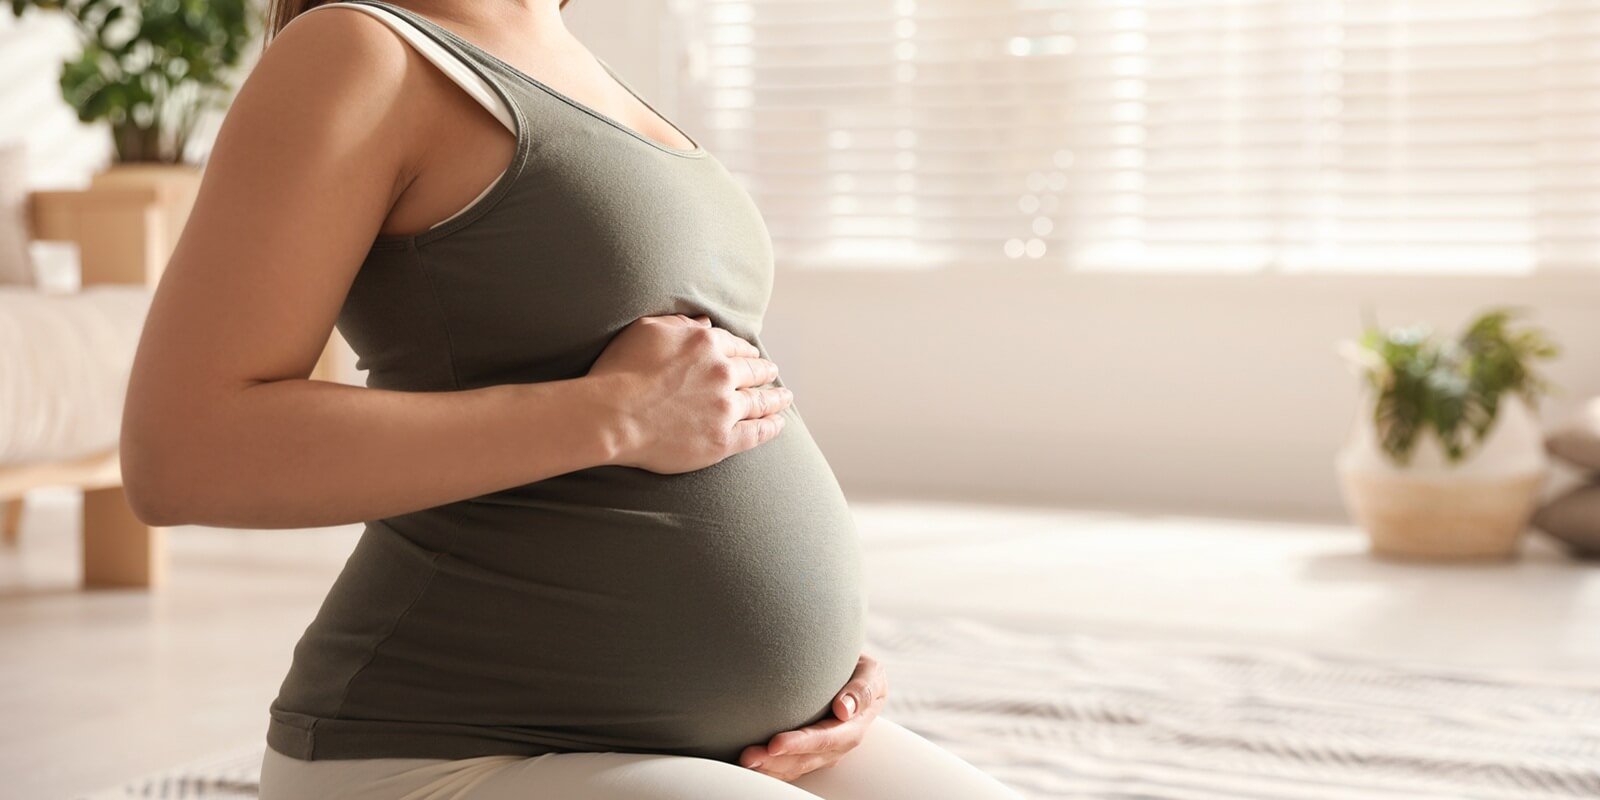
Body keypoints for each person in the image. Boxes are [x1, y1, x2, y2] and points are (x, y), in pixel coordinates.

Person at [120, 1, 1023, 797]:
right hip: (448, 757)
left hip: (741, 741)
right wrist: (614, 414)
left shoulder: (555, 41)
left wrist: (811, 662)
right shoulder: (360, 48)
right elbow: (185, 451)